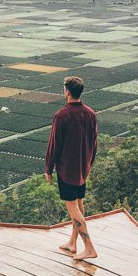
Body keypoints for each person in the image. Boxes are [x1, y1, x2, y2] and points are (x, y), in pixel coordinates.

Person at [44, 76, 98, 260]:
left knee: (72, 207)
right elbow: (94, 142)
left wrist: (48, 168)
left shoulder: (61, 115)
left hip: (67, 169)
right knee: (79, 203)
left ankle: (89, 247)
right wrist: (89, 164)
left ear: (67, 91)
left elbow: (54, 145)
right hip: (83, 167)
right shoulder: (91, 113)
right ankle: (73, 243)